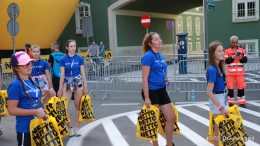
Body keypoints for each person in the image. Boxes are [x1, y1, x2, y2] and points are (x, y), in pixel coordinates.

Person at [7, 51, 55, 146]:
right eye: (24, 65)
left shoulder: (30, 81)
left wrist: (48, 97)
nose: (28, 66)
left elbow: (37, 103)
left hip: (38, 124)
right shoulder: (15, 85)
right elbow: (11, 110)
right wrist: (35, 112)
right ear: (16, 68)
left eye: (29, 63)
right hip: (26, 128)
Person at [141, 32, 176, 146]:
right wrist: (147, 98)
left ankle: (169, 144)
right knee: (154, 121)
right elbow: (144, 78)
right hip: (151, 91)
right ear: (150, 44)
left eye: (159, 38)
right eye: (156, 39)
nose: (160, 40)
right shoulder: (148, 56)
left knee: (171, 118)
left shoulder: (159, 55)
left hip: (162, 90)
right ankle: (155, 145)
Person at [57, 39, 88, 137]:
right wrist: (60, 89)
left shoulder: (79, 58)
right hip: (67, 83)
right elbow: (61, 75)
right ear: (67, 47)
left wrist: (85, 87)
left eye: (74, 46)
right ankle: (70, 128)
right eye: (71, 46)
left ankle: (77, 128)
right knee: (65, 107)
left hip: (78, 83)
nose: (73, 48)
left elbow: (82, 73)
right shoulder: (63, 59)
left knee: (77, 106)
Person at [206, 41, 229, 146]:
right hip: (217, 99)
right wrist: (221, 107)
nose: (223, 53)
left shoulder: (219, 66)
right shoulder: (212, 69)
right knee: (218, 128)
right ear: (212, 53)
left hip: (222, 97)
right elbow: (209, 92)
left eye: (223, 51)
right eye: (219, 51)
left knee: (221, 128)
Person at [224, 36, 247, 108]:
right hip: (230, 74)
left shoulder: (242, 50)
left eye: (236, 42)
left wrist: (240, 58)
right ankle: (231, 102)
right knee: (230, 88)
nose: (235, 43)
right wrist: (233, 57)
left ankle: (242, 102)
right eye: (233, 42)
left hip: (240, 73)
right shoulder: (227, 51)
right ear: (230, 42)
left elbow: (245, 60)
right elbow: (226, 61)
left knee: (241, 88)